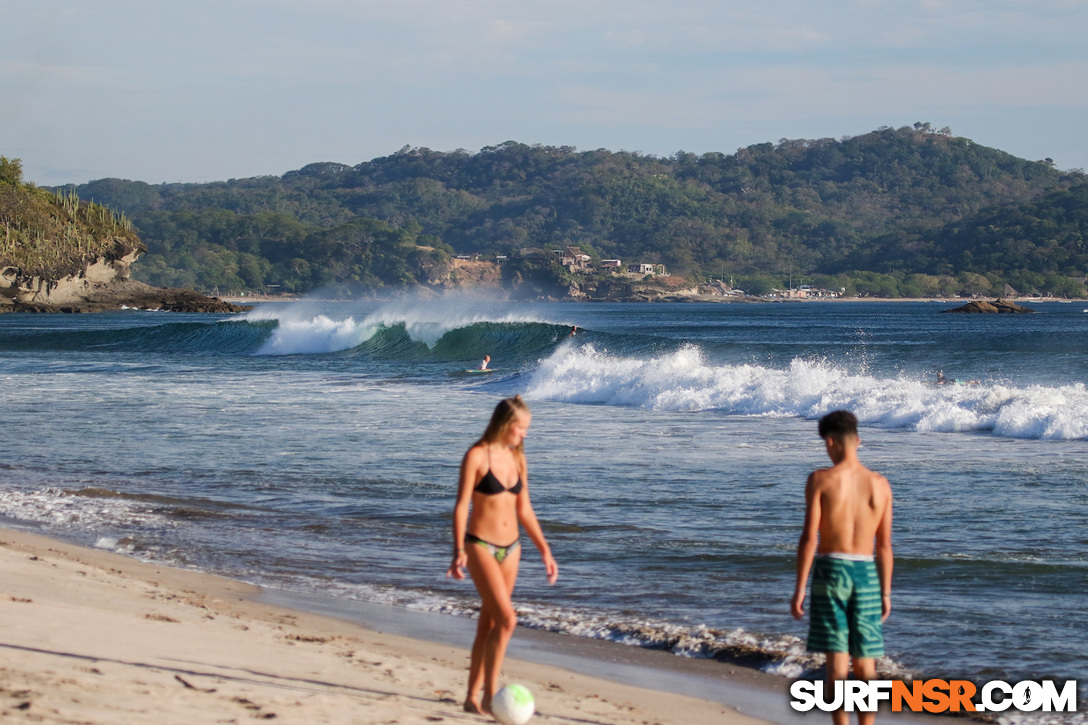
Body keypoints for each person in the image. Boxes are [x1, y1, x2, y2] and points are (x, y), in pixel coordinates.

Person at [447, 396, 558, 716]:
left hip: (512, 550)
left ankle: (471, 697)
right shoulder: (477, 456)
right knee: (508, 619)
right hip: (480, 545)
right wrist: (457, 551)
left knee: (490, 622)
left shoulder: (518, 459)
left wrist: (545, 550)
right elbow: (461, 505)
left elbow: (524, 509)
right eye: (521, 429)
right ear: (506, 425)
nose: (525, 435)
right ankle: (491, 696)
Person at [792, 410, 893, 725]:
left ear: (831, 441)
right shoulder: (880, 485)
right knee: (866, 665)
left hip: (831, 572)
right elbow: (885, 547)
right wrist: (886, 593)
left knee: (836, 664)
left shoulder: (821, 479)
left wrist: (799, 588)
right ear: (858, 441)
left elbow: (810, 538)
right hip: (866, 575)